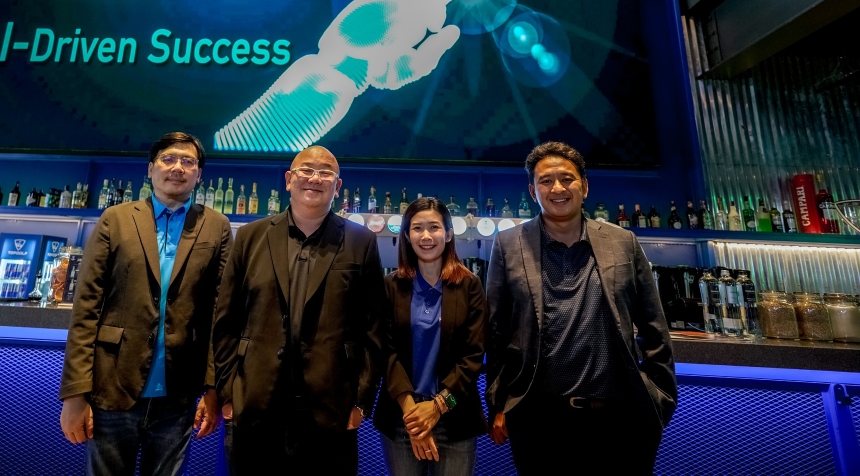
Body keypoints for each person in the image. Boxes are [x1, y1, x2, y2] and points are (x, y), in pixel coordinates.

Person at [485, 141, 676, 475]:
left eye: (567, 179)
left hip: (620, 420)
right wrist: (498, 404)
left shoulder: (623, 242)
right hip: (538, 421)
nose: (557, 188)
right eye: (546, 181)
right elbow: (496, 332)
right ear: (533, 191)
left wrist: (659, 399)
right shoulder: (508, 244)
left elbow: (654, 327)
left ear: (584, 187)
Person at [59, 132, 231, 476]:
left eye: (188, 161)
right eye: (168, 159)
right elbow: (86, 308)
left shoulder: (217, 226)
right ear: (151, 169)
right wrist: (75, 394)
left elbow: (220, 315)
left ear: (199, 175)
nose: (178, 167)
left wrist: (214, 390)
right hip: (113, 386)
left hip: (179, 394)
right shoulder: (116, 219)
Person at [212, 145, 384, 476]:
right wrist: (228, 391)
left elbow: (374, 328)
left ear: (338, 186)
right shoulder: (250, 237)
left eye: (325, 173)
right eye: (306, 170)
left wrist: (361, 400)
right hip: (255, 402)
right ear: (289, 179)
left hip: (331, 407)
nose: (314, 178)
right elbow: (226, 320)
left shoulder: (361, 242)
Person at [374, 197, 487, 476]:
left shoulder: (470, 286)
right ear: (406, 236)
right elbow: (385, 352)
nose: (426, 236)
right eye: (417, 228)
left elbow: (473, 357)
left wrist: (437, 407)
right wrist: (413, 416)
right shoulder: (390, 287)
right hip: (402, 417)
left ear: (448, 234)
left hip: (455, 416)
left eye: (434, 227)